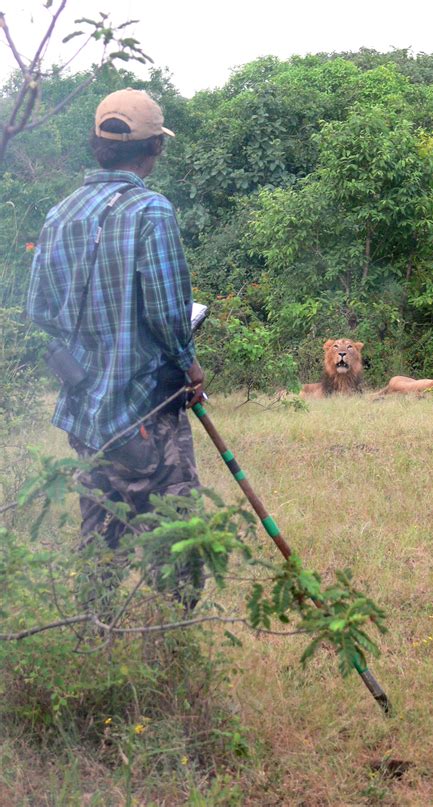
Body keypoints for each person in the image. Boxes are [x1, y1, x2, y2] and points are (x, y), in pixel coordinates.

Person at [27, 88, 205, 601]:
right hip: (144, 408)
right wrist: (190, 367)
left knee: (100, 538)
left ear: (97, 144)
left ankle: (92, 639)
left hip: (84, 412)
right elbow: (170, 314)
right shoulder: (153, 211)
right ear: (155, 149)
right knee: (178, 539)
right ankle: (174, 644)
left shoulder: (61, 213)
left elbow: (40, 308)